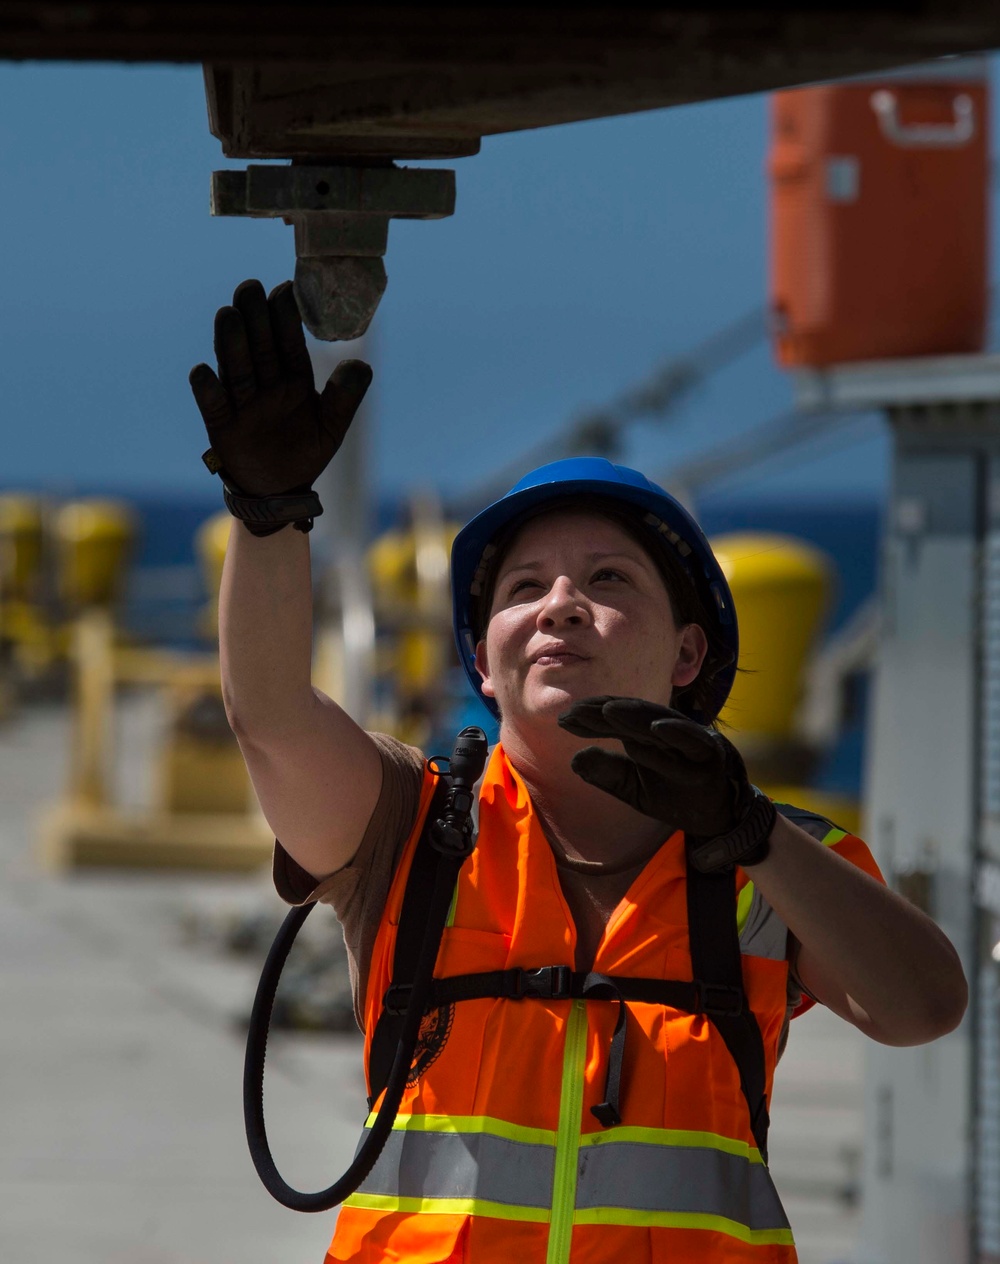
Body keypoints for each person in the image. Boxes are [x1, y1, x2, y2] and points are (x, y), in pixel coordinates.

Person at [191, 280, 968, 1264]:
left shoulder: (773, 864)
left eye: (607, 580)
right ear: (483, 661)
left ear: (688, 655)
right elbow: (268, 716)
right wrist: (268, 519)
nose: (560, 605)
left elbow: (922, 1005)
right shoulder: (409, 822)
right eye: (524, 587)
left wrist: (749, 832)